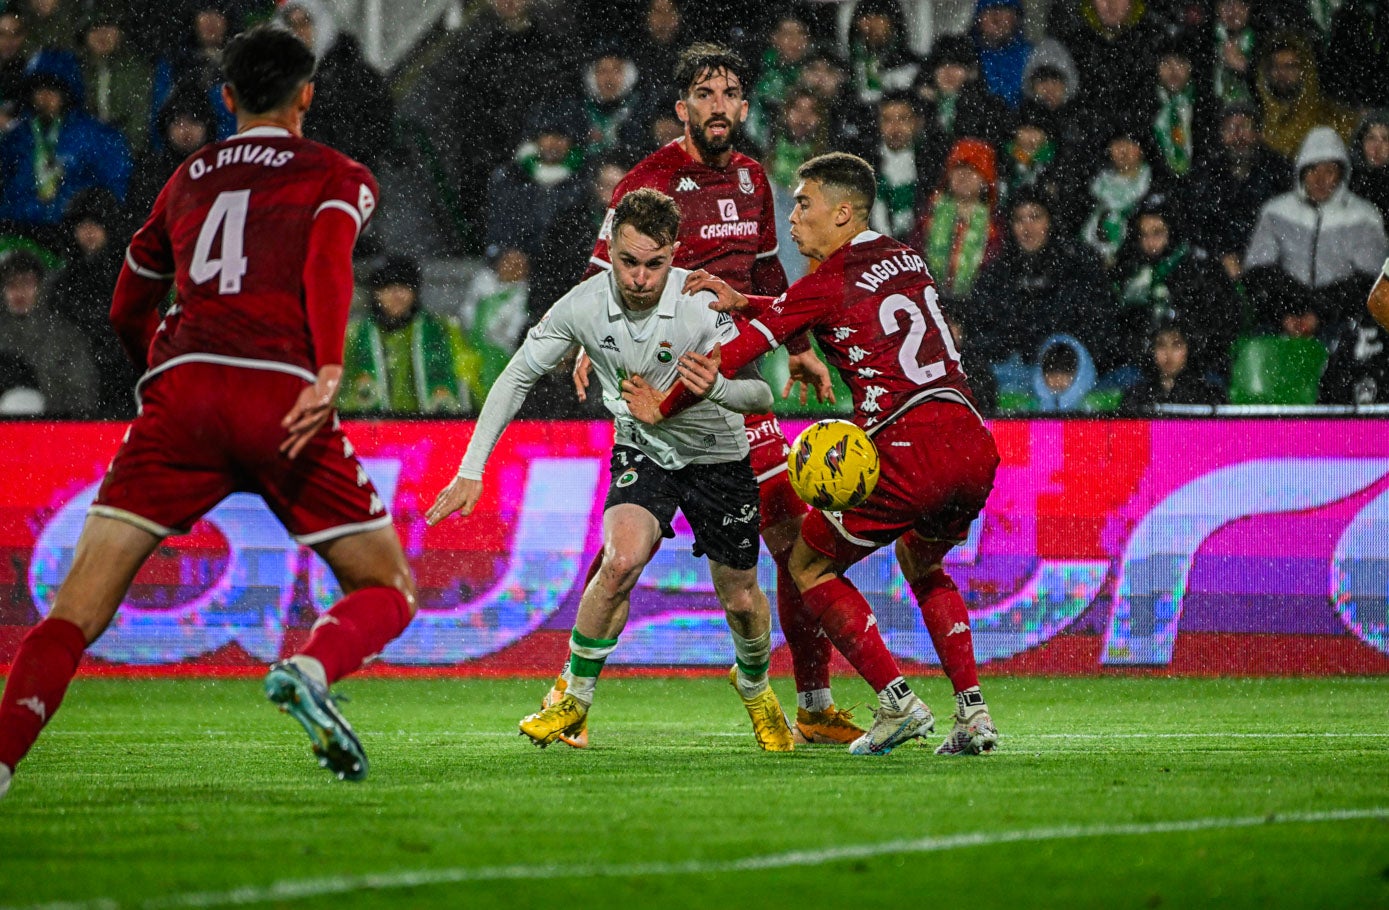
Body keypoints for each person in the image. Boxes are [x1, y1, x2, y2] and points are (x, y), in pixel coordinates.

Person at [0, 25, 419, 800]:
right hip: (280, 396)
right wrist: (327, 364)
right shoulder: (336, 171)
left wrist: (160, 372)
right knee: (386, 585)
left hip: (183, 397)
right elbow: (328, 254)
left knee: (74, 612)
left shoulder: (189, 175)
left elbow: (130, 300)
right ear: (306, 97)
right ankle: (308, 667)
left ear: (226, 99)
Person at [637, 152, 1003, 757]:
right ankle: (973, 714)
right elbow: (831, 306)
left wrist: (663, 403)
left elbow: (732, 356)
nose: (794, 217)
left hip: (908, 445)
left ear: (842, 212)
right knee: (925, 564)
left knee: (807, 564)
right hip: (970, 438)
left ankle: (896, 701)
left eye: (804, 204)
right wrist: (747, 298)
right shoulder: (902, 256)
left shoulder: (826, 281)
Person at [426, 188, 796, 752]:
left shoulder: (701, 304)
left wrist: (715, 386)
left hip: (718, 456)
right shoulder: (582, 304)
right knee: (620, 561)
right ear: (612, 249)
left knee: (742, 598)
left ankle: (755, 687)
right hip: (643, 447)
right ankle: (573, 699)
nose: (640, 277)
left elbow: (761, 391)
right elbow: (517, 375)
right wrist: (472, 468)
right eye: (628, 262)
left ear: (674, 254)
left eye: (654, 263)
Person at [577, 43, 860, 749]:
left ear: (742, 105)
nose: (719, 105)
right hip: (661, 386)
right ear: (681, 108)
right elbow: (600, 271)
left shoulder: (754, 180)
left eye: (731, 92)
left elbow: (765, 266)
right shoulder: (648, 182)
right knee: (625, 550)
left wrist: (798, 347)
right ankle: (571, 695)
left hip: (732, 387)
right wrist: (584, 341)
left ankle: (815, 701)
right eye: (704, 93)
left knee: (790, 542)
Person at [1243, 126, 1388, 336]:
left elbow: (1370, 281)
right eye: (1313, 170)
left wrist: (1319, 314)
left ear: (1341, 174)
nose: (1320, 179)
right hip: (1280, 321)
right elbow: (1258, 272)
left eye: (1329, 171)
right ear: (1301, 171)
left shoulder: (1364, 217)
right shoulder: (1275, 212)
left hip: (1344, 324)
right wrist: (1284, 315)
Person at [339, 254, 483, 415]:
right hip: (369, 431)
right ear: (375, 293)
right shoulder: (354, 333)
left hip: (426, 431)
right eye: (387, 287)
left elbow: (469, 378)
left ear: (415, 292)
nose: (396, 295)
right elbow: (338, 386)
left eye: (403, 287)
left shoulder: (443, 329)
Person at [1117, 318, 1223, 414]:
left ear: (1189, 349)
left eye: (1176, 345)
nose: (1169, 353)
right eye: (1161, 345)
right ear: (1152, 351)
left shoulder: (1208, 395)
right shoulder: (1137, 395)